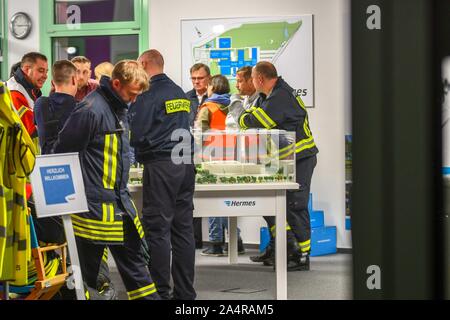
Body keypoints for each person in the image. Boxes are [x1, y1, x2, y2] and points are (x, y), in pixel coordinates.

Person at [53, 60, 159, 300]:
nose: (133, 100)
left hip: (118, 209)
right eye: (131, 94)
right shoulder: (90, 110)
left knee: (136, 271)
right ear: (117, 83)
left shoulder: (117, 108)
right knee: (83, 277)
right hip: (94, 213)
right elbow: (62, 154)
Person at [239, 61, 318, 271]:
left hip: (300, 159)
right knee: (272, 206)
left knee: (295, 206)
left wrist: (240, 115)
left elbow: (256, 121)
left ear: (260, 79)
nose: (251, 82)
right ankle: (282, 249)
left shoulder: (281, 96)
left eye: (252, 79)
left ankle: (302, 256)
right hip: (282, 160)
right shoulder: (269, 95)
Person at [130, 49, 196, 300]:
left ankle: (159, 293)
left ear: (144, 64)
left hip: (161, 166)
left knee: (157, 231)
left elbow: (137, 132)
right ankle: (185, 294)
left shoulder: (149, 93)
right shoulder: (178, 91)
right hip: (186, 165)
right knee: (183, 231)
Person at [194, 74, 245, 256]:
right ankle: (235, 240)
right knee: (227, 200)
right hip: (231, 155)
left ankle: (216, 242)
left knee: (216, 200)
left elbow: (199, 134)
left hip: (212, 156)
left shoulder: (208, 107)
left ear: (212, 88)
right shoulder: (233, 105)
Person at [186, 63, 211, 249]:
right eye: (193, 78)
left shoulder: (217, 97)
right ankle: (194, 240)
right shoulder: (185, 98)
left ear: (208, 78)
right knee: (191, 194)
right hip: (190, 151)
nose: (196, 82)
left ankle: (228, 241)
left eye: (200, 78)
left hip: (214, 150)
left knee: (213, 196)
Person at [6, 52, 48, 142]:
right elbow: (31, 130)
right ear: (26, 69)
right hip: (22, 154)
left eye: (46, 71)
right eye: (41, 71)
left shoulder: (30, 89)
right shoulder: (15, 92)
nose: (45, 76)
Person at [225, 66, 259, 130]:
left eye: (240, 81)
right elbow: (228, 123)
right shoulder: (246, 99)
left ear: (251, 81)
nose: (236, 85)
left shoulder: (260, 100)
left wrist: (234, 100)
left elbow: (242, 124)